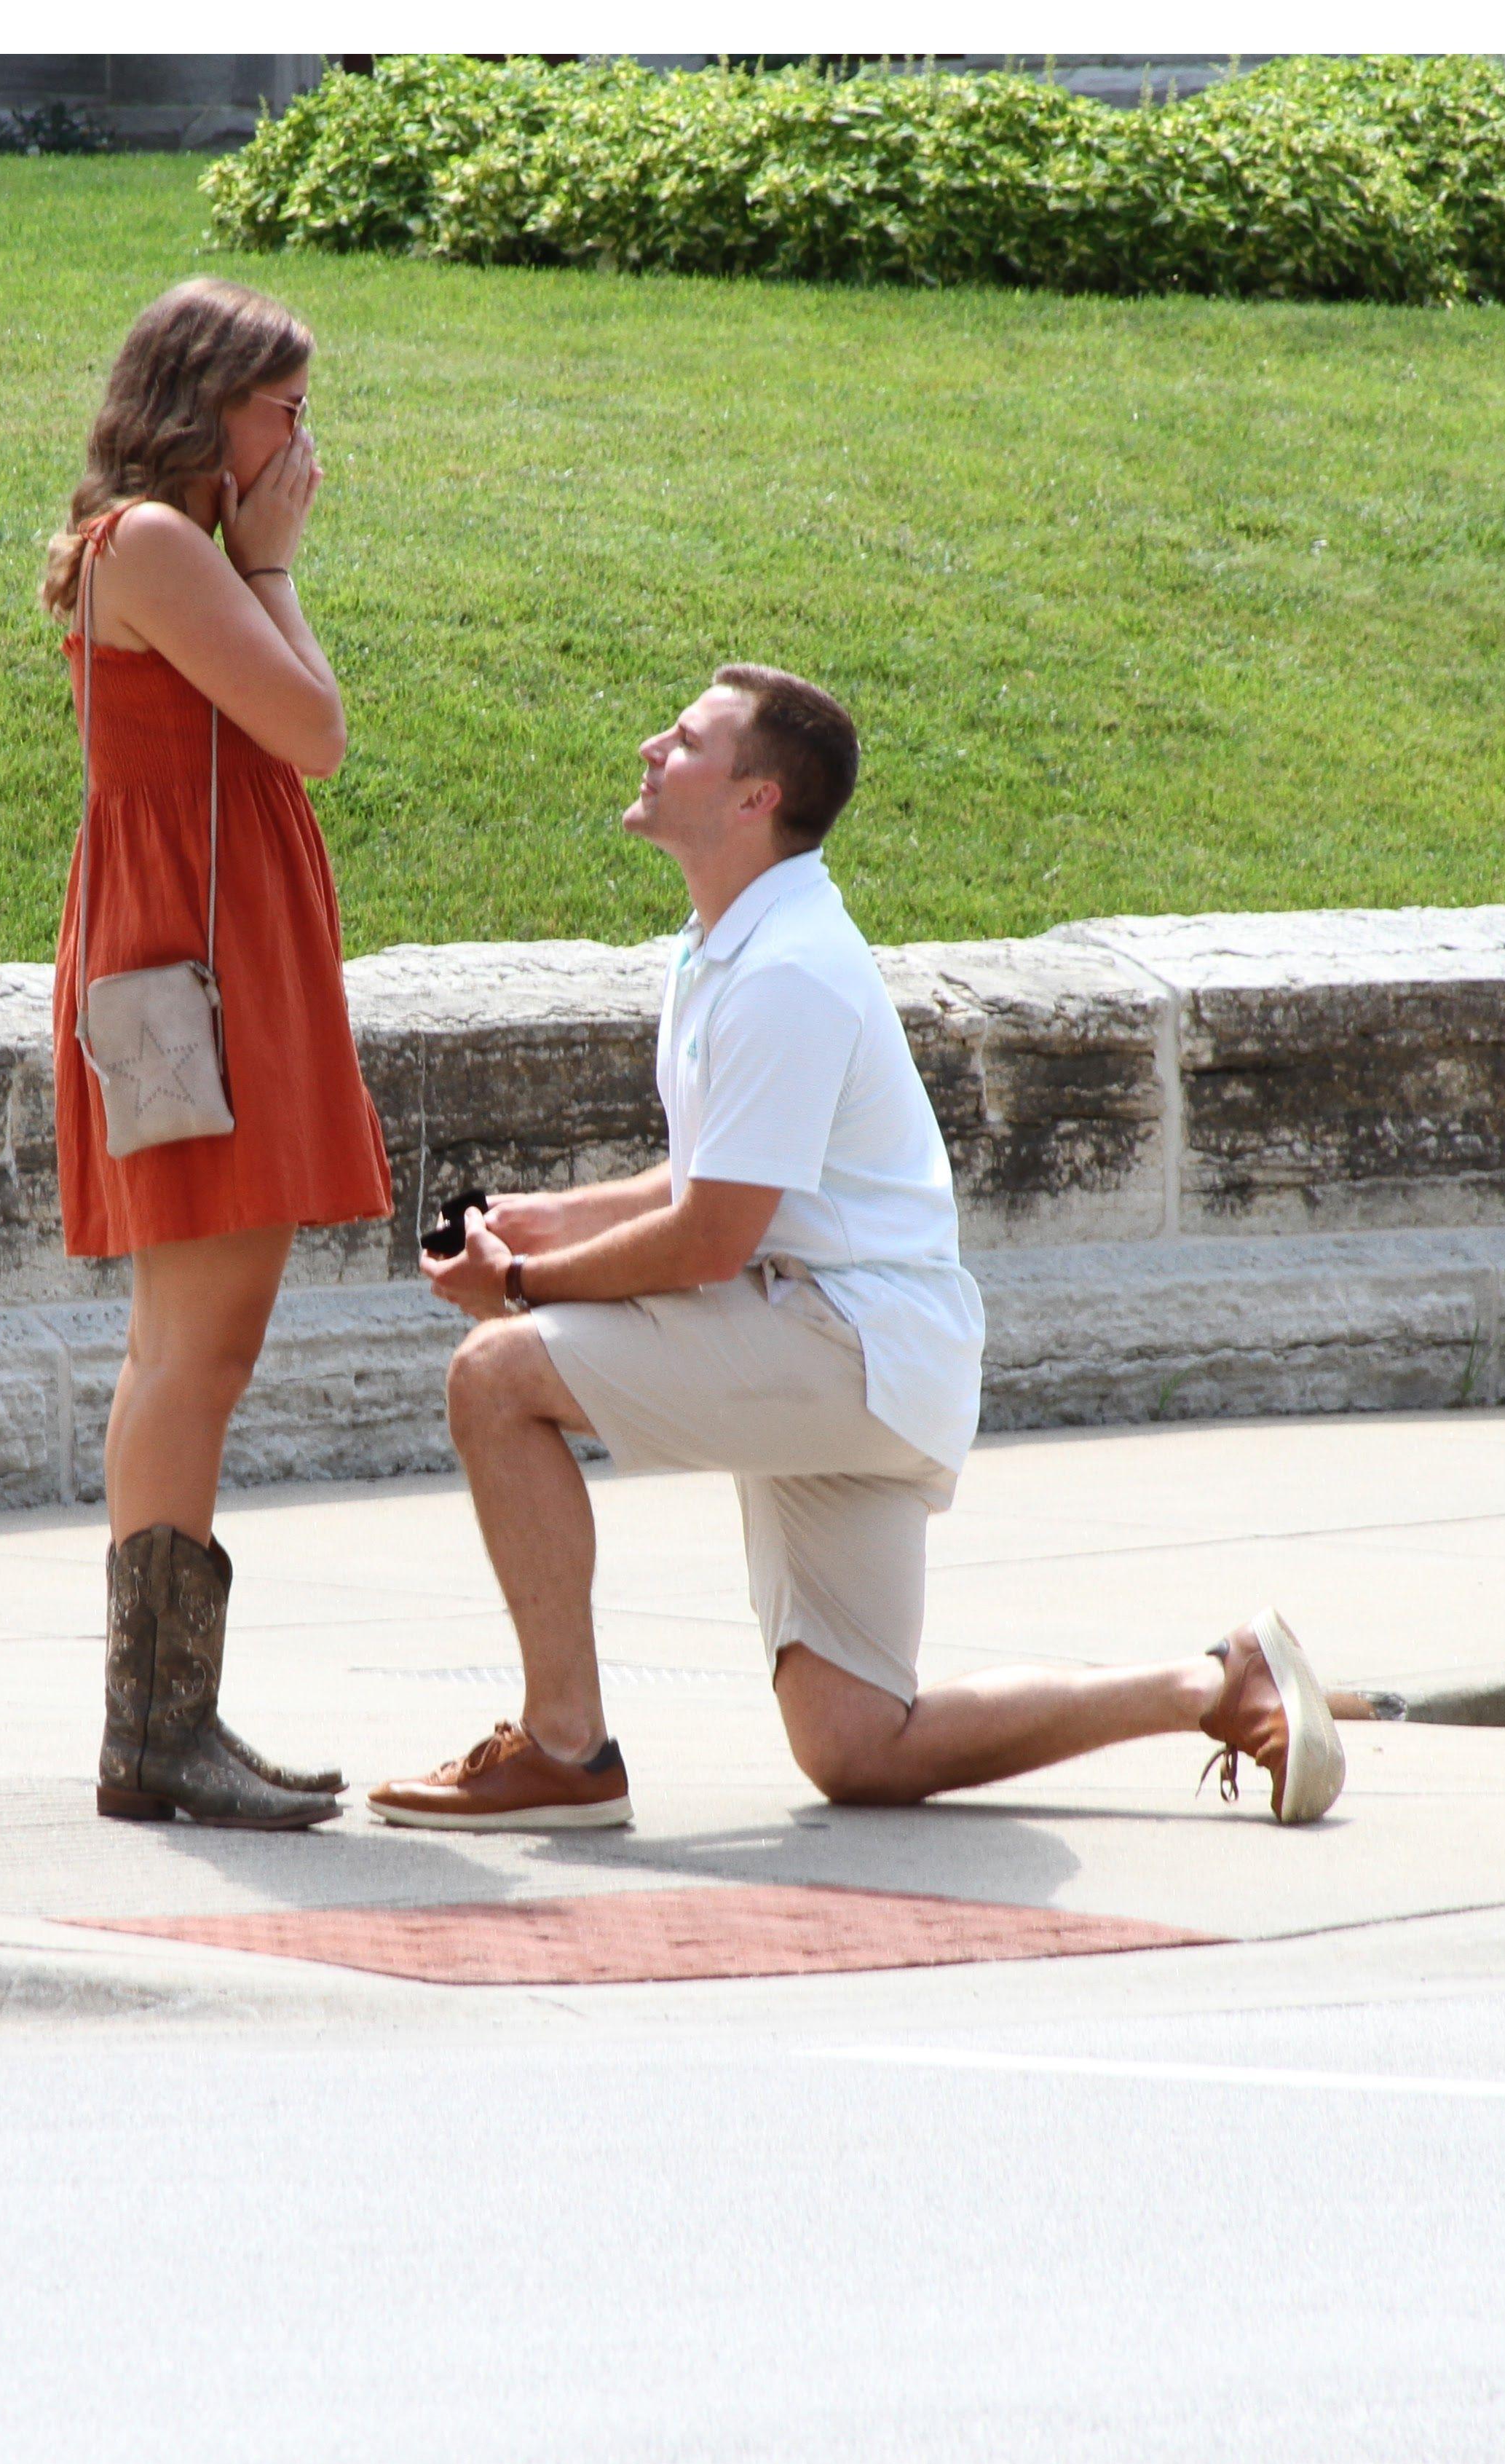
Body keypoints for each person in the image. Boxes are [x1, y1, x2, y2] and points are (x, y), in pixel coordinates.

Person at [373, 664, 1348, 1833]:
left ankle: (564, 1751)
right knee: (858, 1747)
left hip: (844, 1348)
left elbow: (708, 1238)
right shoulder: (728, 944)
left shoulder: (785, 973)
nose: (649, 748)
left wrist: (522, 1284)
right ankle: (1213, 1681)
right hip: (855, 1355)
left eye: (684, 742)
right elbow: (716, 1179)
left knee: (497, 1378)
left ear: (753, 801)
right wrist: (551, 1217)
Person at [48, 279, 393, 1829]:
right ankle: (155, 1733)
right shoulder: (167, 546)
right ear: (207, 403)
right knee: (195, 1347)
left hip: (208, 941)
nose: (304, 440)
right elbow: (312, 728)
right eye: (285, 407)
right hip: (198, 962)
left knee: (192, 1344)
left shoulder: (163, 545)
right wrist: (274, 564)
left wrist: (262, 560)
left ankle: (166, 1725)